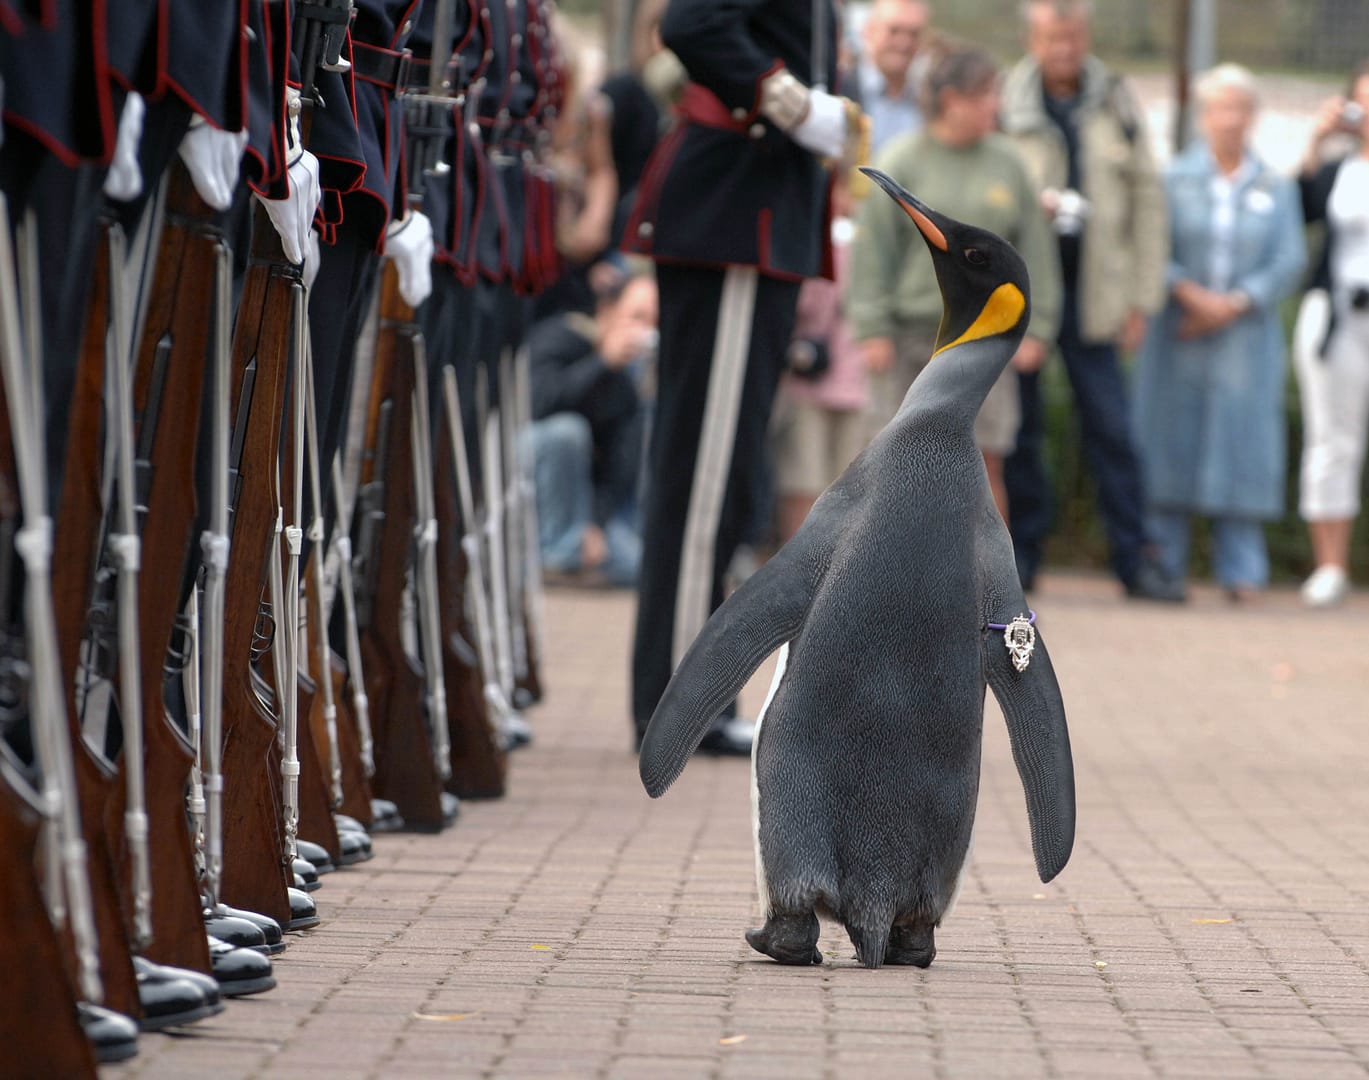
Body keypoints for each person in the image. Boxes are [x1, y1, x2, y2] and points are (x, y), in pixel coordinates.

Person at [623, 0, 856, 754]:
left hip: (759, 215)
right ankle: (675, 700)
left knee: (723, 481)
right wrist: (788, 101)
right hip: (735, 214)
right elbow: (690, 23)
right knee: (702, 479)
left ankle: (690, 692)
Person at [999, 0, 1183, 600]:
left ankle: (1135, 559)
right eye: (1053, 37)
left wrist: (1142, 297)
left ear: (1086, 35)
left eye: (1073, 36)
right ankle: (1021, 557)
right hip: (1026, 295)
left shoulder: (1117, 101)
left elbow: (1149, 203)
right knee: (1021, 429)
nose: (1064, 48)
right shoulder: (1005, 100)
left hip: (1097, 294)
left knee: (1112, 429)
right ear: (1033, 37)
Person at [847, 44, 1061, 519]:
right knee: (892, 463)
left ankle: (987, 585)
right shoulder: (903, 159)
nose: (996, 106)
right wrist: (871, 325)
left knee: (985, 464)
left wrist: (1038, 325)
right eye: (986, 94)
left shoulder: (1007, 162)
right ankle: (890, 582)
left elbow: (1035, 252)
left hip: (984, 340)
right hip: (911, 338)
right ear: (952, 100)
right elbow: (873, 250)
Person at [1131, 64, 1306, 601]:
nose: (1230, 120)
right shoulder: (1173, 178)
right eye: (1220, 108)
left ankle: (1242, 568)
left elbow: (1289, 258)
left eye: (1240, 109)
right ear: (1204, 116)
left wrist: (1233, 302)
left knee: (1243, 442)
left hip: (1245, 335)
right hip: (1179, 330)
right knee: (1170, 437)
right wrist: (1190, 294)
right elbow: (1152, 246)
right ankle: (1164, 562)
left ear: (1252, 117)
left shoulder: (1275, 186)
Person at [1291, 59, 1369, 608]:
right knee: (1331, 439)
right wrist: (1316, 139)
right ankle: (1330, 565)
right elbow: (1298, 208)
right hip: (1339, 315)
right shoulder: (1341, 168)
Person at [526, 269, 658, 587]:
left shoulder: (627, 383)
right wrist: (601, 362)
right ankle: (554, 556)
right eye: (637, 317)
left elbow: (618, 470)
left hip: (580, 507)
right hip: (528, 489)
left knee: (640, 567)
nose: (644, 331)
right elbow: (537, 404)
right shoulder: (560, 336)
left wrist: (595, 526)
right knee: (567, 432)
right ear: (607, 310)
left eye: (653, 322)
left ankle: (571, 554)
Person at [773, 177, 868, 543]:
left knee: (829, 483)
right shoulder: (819, 239)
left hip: (843, 373)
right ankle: (811, 573)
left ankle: (825, 576)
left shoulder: (848, 243)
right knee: (805, 480)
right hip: (819, 378)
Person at [855, 0, 932, 154]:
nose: (904, 42)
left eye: (913, 34)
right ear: (868, 31)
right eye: (894, 31)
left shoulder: (930, 99)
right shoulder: (841, 88)